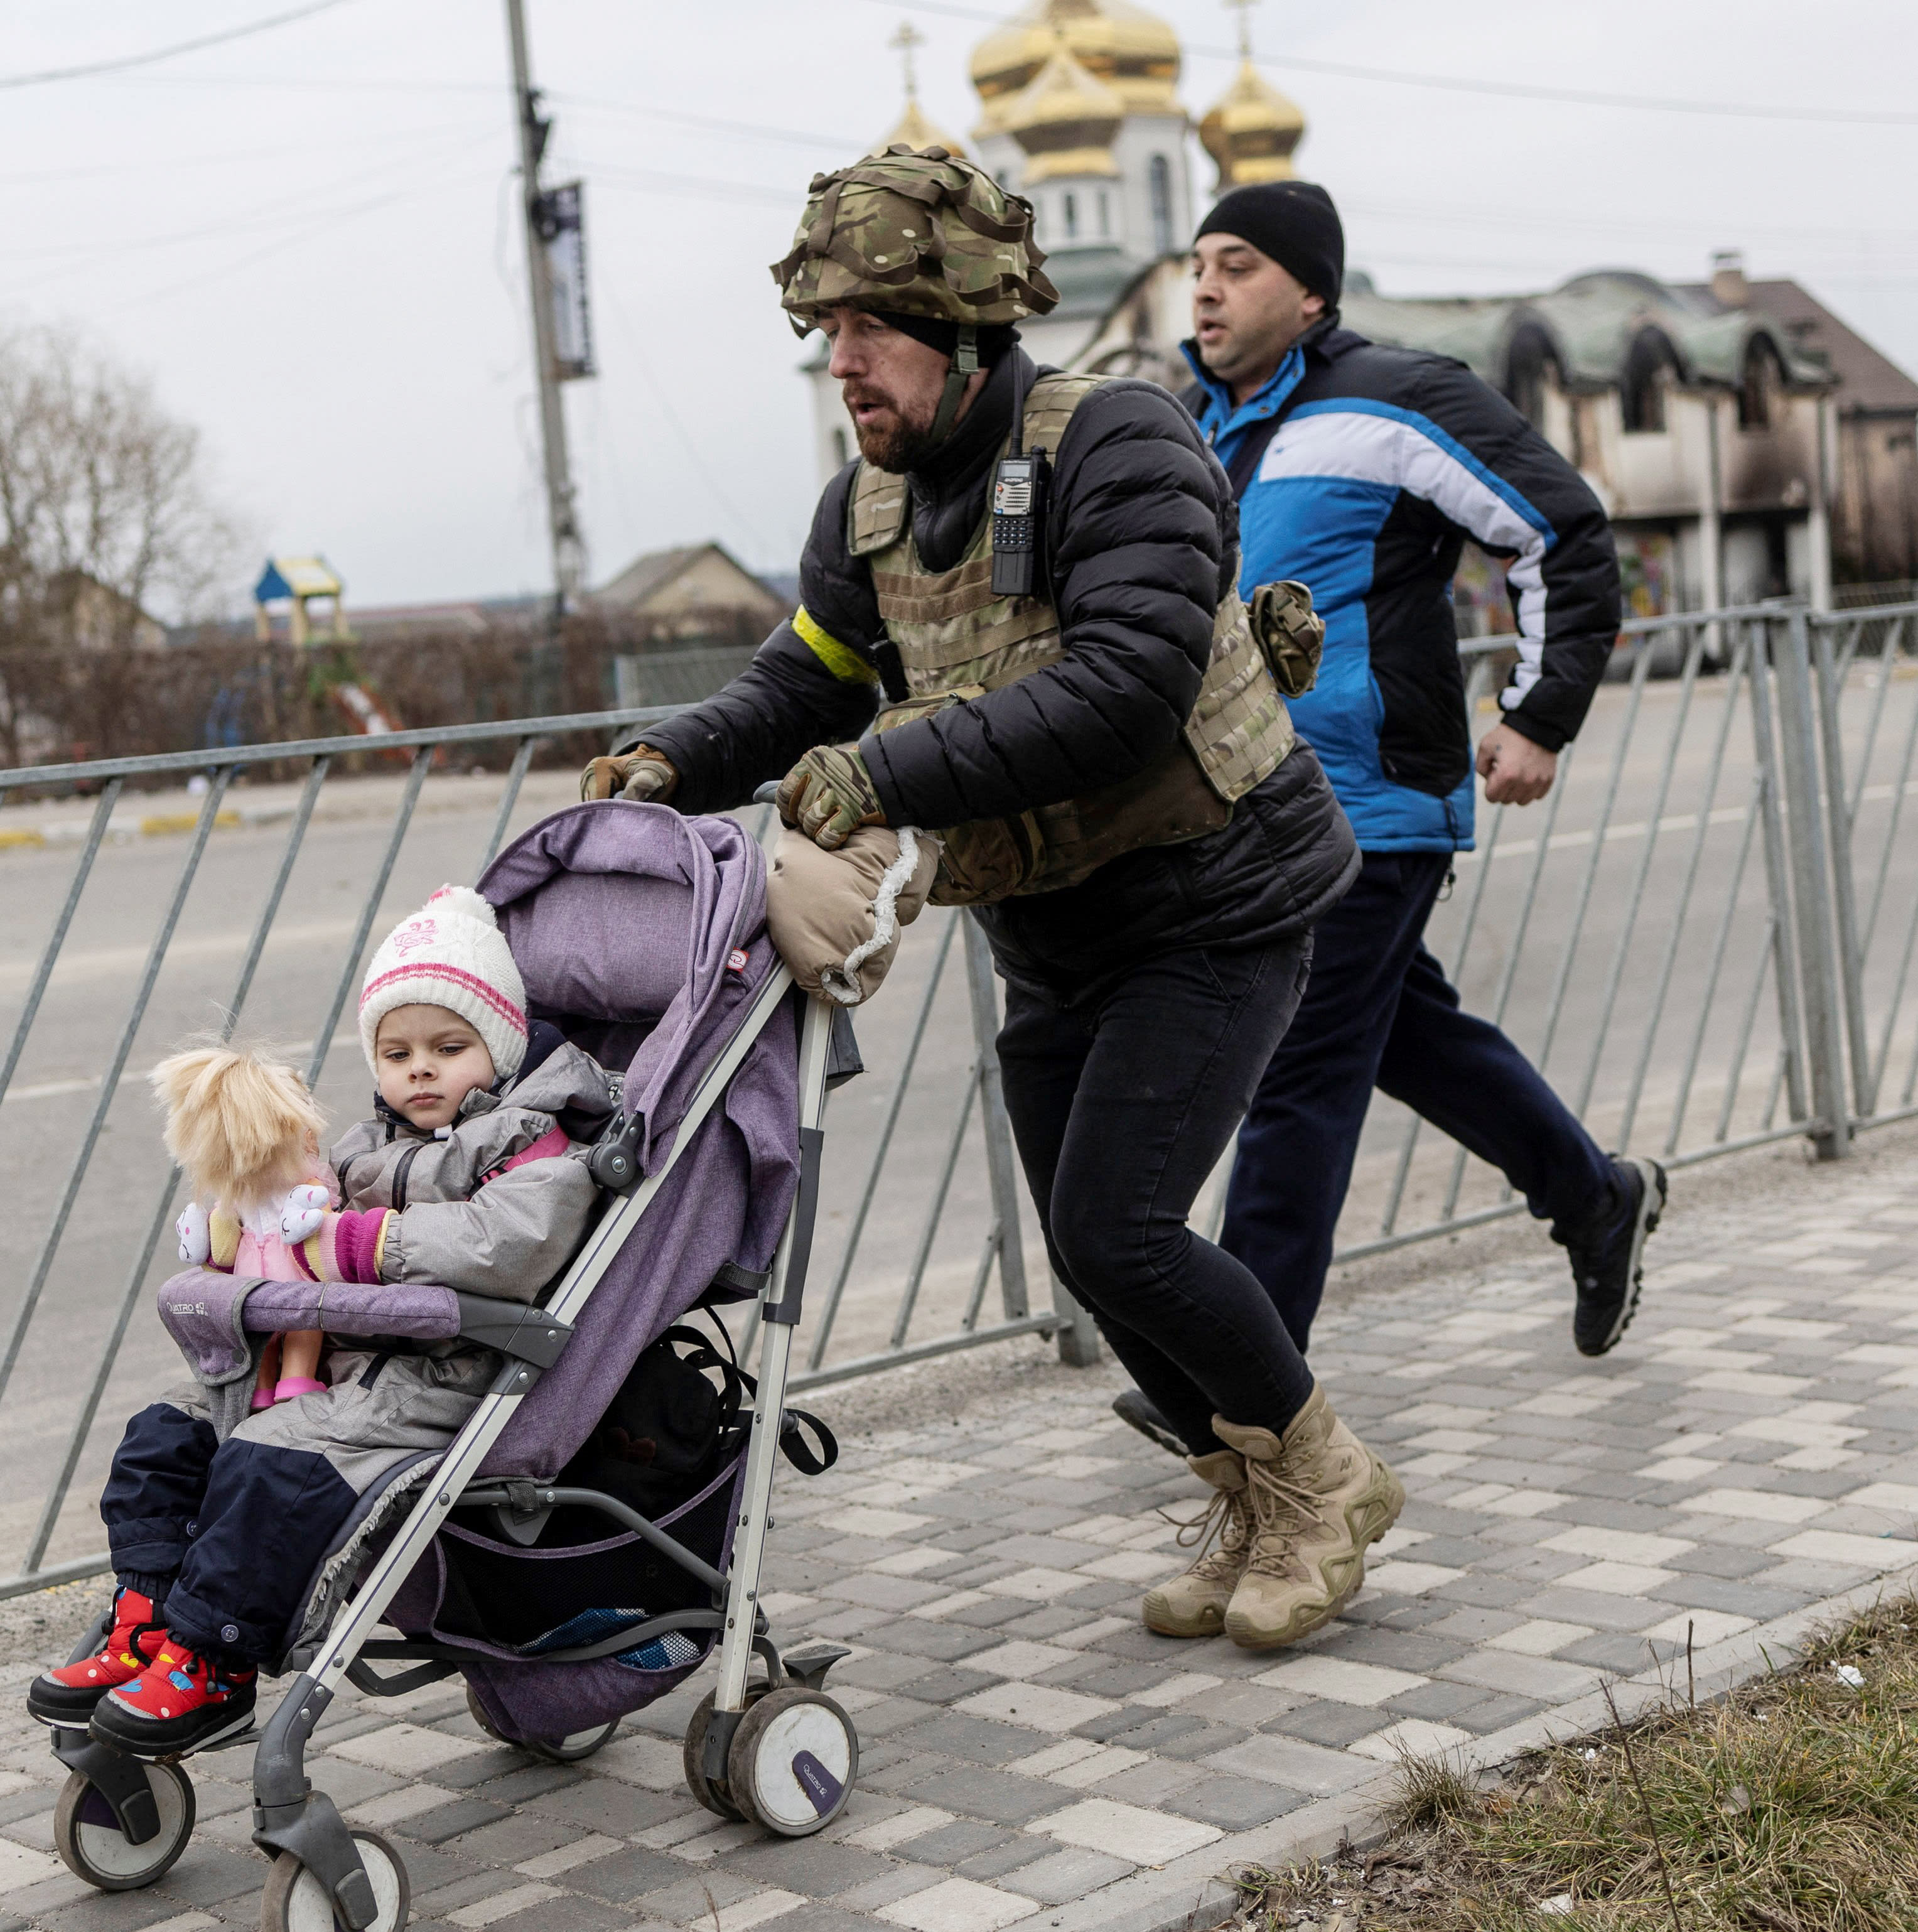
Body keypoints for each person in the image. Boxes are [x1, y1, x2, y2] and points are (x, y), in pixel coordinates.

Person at [583, 148, 1396, 1653]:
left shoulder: (1119, 442)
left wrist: (880, 772)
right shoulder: (867, 509)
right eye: (827, 336)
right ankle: (1252, 1492)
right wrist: (667, 760)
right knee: (1094, 1253)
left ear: (960, 324)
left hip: (1215, 898)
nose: (843, 365)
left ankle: (1328, 1481)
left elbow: (1125, 687)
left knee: (1121, 1225)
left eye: (868, 329)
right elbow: (803, 680)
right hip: (1059, 931)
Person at [1168, 180, 1667, 1412]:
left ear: (1310, 291)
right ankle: (1597, 1197)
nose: (1207, 287)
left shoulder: (1397, 397)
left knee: (1292, 1069)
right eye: (1198, 265)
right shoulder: (1191, 431)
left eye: (1238, 264)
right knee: (1402, 1035)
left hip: (1371, 798)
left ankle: (1237, 1383)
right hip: (1244, 805)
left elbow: (1560, 530)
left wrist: (1539, 712)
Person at [29, 886, 613, 1751]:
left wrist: (363, 1245)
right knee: (164, 1433)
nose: (420, 1069)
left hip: (449, 1371)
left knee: (272, 1461)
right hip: (337, 1359)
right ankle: (146, 1621)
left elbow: (506, 1245)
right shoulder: (364, 1146)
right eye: (396, 1050)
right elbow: (294, 1212)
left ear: (501, 1046)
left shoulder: (536, 1145)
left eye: (450, 1048)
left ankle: (213, 1663)